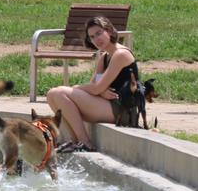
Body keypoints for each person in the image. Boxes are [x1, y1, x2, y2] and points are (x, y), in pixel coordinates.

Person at [46, 16, 139, 152]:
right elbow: (94, 87)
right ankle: (76, 141)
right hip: (106, 105)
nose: (97, 39)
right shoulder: (104, 57)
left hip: (122, 110)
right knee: (51, 94)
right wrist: (100, 91)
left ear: (109, 31)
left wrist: (78, 87)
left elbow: (94, 89)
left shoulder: (121, 54)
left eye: (99, 33)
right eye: (92, 37)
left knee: (60, 93)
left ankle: (85, 143)